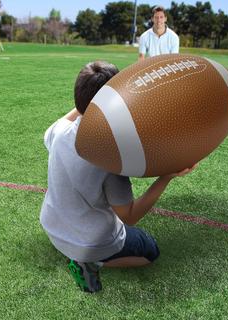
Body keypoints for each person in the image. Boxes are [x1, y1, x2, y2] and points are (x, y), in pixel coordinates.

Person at [40, 61, 197, 293]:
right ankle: (92, 262)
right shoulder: (109, 158)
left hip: (52, 227)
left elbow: (77, 113)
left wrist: (87, 100)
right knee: (150, 250)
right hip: (87, 243)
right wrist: (166, 177)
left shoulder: (58, 130)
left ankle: (80, 255)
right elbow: (130, 215)